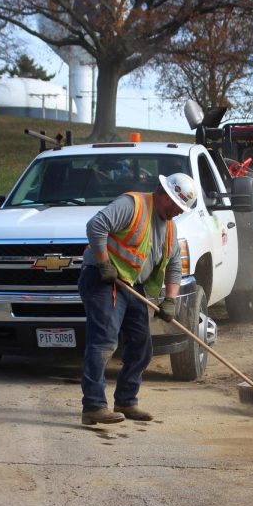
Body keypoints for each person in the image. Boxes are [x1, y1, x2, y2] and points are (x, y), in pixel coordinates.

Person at [78, 172, 198, 425]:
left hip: (133, 286)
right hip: (104, 281)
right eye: (177, 206)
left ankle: (126, 401)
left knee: (142, 347)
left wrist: (170, 300)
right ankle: (93, 406)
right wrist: (103, 263)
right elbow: (95, 226)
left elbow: (174, 265)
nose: (178, 212)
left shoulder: (169, 227)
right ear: (164, 195)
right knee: (103, 343)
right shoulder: (132, 205)